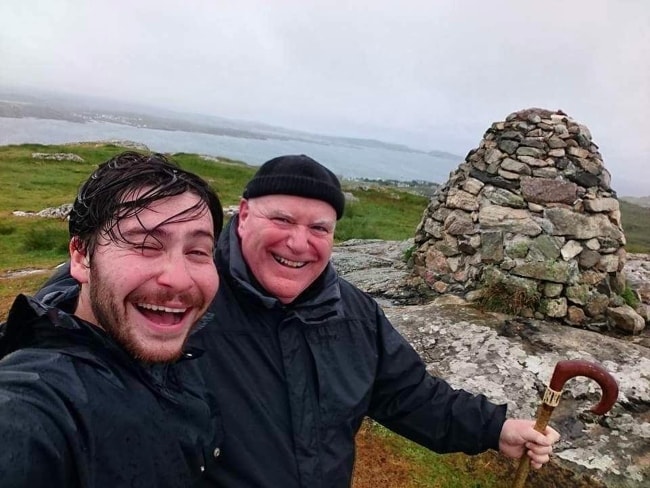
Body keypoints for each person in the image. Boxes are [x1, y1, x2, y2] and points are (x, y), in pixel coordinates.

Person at [36, 154, 560, 487]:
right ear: (243, 216)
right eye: (281, 219)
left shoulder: (353, 314)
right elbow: (90, 316)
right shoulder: (184, 299)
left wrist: (496, 429)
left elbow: (408, 395)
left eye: (319, 228)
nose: (298, 241)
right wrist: (43, 327)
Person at [0, 151, 224, 487]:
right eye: (146, 245)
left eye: (197, 252)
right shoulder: (35, 402)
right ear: (80, 256)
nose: (179, 279)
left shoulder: (170, 349)